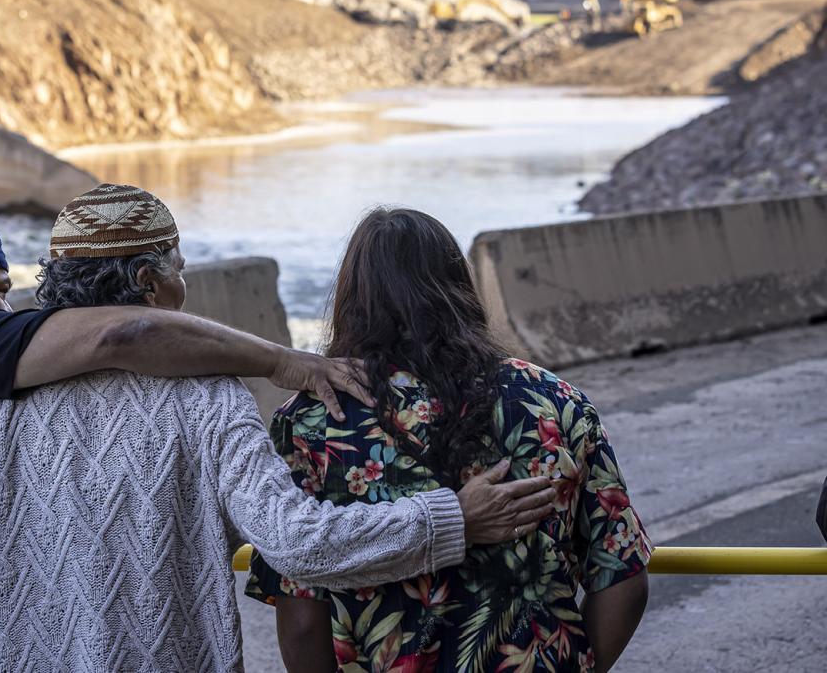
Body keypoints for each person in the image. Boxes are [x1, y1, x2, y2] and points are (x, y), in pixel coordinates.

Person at [0, 186, 556, 672]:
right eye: (177, 266)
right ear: (145, 281)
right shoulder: (207, 399)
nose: (186, 283)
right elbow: (300, 542)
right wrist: (455, 516)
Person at [247, 207, 651, 673]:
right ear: (459, 286)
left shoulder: (312, 423)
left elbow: (302, 620)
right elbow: (622, 577)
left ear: (352, 299)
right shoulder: (555, 402)